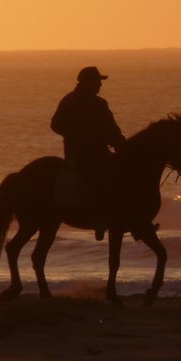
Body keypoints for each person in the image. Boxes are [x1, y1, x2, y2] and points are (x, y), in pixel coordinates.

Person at [51, 67, 126, 239]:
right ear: (87, 83)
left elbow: (112, 127)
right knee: (99, 176)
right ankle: (99, 219)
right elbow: (56, 125)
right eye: (97, 81)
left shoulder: (100, 103)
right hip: (79, 153)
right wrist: (78, 134)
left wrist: (120, 142)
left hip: (100, 151)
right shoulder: (70, 101)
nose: (100, 85)